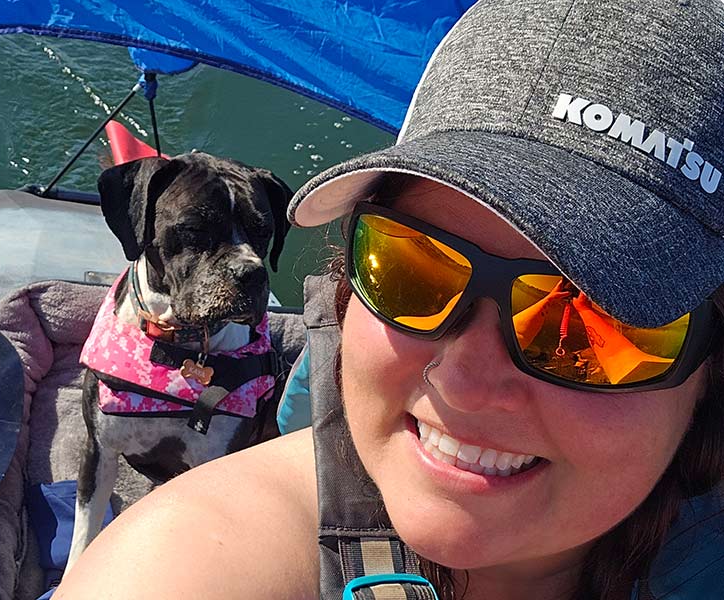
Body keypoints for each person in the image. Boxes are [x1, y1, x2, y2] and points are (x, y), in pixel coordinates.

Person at [56, 0, 724, 598]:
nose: (460, 381)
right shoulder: (186, 556)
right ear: (349, 288)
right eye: (412, 270)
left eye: (590, 322)